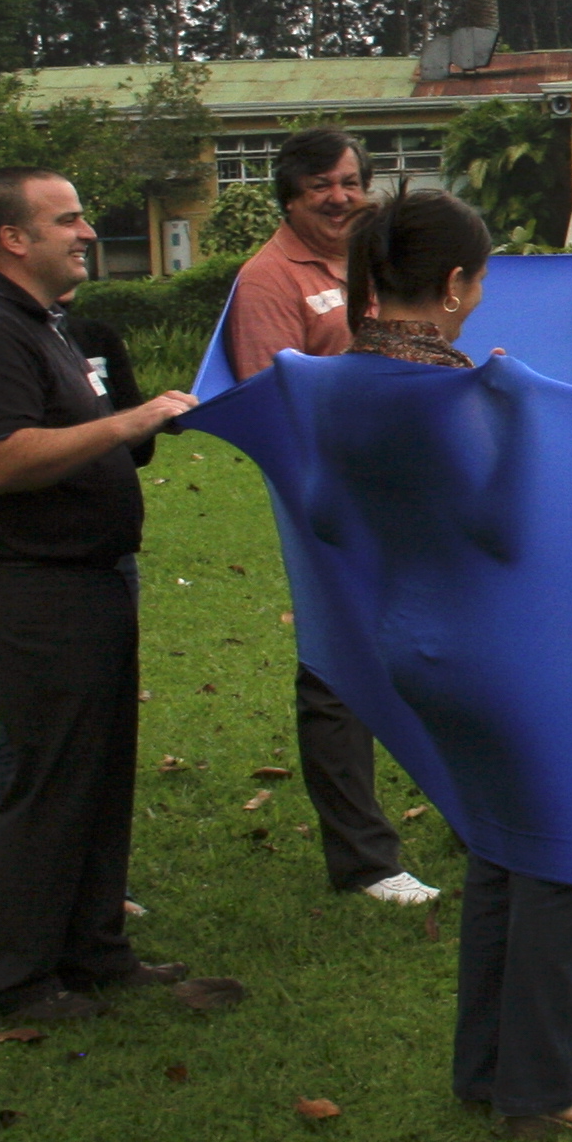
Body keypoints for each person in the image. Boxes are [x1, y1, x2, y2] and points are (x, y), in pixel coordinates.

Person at [343, 191, 572, 1138]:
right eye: (479, 281)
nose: (478, 299)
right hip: (488, 647)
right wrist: (513, 423)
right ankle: (548, 1086)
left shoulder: (336, 379)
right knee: (549, 852)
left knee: (501, 848)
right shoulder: (447, 394)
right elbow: (504, 530)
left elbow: (326, 514)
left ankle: (489, 1067)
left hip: (409, 638)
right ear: (454, 284)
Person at [0, 167, 203, 1024]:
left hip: (85, 583)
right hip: (28, 592)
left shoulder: (39, 324)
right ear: (14, 238)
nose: (87, 232)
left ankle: (94, 953)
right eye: (68, 220)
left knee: (97, 779)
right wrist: (130, 420)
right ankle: (13, 983)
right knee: (51, 788)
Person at [221, 129, 435, 909]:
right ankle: (365, 861)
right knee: (335, 672)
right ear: (290, 198)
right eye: (320, 186)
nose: (340, 197)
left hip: (407, 494)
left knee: (430, 655)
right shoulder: (268, 279)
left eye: (350, 181)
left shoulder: (382, 259)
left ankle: (474, 816)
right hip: (331, 505)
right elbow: (269, 404)